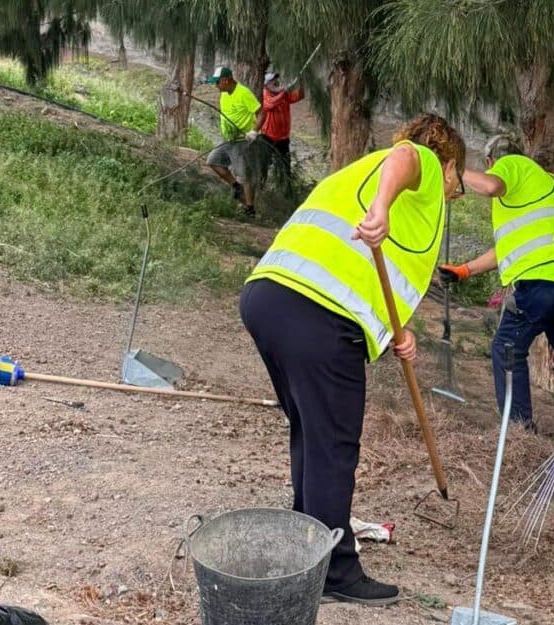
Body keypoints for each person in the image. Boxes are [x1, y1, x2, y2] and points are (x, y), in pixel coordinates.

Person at [239, 113, 467, 606]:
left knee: (311, 430)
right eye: (459, 182)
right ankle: (334, 571)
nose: (456, 193)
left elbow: (371, 273)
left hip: (270, 297)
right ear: (449, 165)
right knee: (334, 445)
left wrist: (393, 332)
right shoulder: (419, 160)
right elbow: (408, 158)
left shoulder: (362, 174)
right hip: (316, 314)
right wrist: (382, 208)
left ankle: (309, 544)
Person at [438, 134, 554, 465]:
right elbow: (508, 249)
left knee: (506, 350)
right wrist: (465, 270)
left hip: (538, 285)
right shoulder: (545, 188)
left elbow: (491, 186)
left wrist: (450, 168)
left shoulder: (514, 165)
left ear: (491, 162)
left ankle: (520, 433)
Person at [205, 66, 264, 216]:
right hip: (228, 140)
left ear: (226, 80)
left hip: (242, 141)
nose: (216, 85)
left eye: (217, 82)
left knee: (244, 175)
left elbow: (261, 113)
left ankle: (250, 208)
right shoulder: (224, 93)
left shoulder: (243, 93)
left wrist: (254, 132)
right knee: (213, 161)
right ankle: (235, 186)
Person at [259, 70, 305, 191]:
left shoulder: (282, 94)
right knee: (264, 164)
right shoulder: (265, 93)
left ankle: (286, 190)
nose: (276, 82)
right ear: (266, 84)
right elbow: (270, 105)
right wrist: (284, 92)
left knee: (285, 166)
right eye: (272, 81)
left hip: (283, 138)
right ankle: (260, 188)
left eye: (276, 79)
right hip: (267, 137)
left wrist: (301, 82)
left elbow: (299, 96)